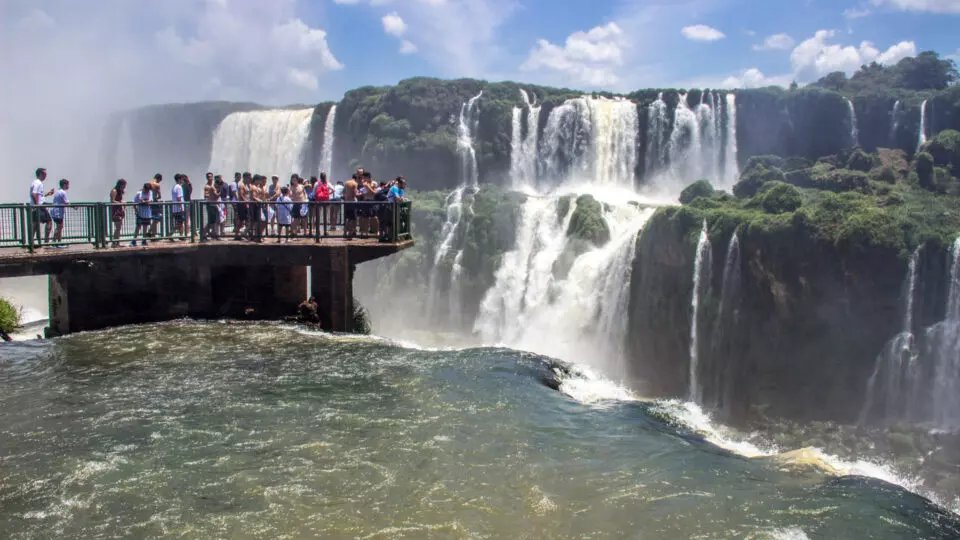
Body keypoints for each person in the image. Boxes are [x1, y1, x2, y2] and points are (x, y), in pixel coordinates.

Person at [29, 167, 54, 246]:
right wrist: (37, 205)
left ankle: (31, 243)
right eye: (44, 174)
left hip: (36, 205)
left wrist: (48, 194)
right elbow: (34, 193)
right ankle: (46, 242)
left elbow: (39, 195)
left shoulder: (35, 182)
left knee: (35, 224)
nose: (46, 176)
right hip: (39, 206)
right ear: (40, 174)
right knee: (49, 222)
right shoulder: (38, 183)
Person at [50, 179, 70, 247]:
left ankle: (58, 242)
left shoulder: (58, 192)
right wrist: (74, 207)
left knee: (59, 227)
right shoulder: (63, 192)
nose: (68, 186)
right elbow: (67, 202)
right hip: (58, 212)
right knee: (59, 227)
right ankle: (54, 242)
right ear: (64, 185)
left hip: (55, 212)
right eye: (67, 185)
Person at [109, 179, 127, 247]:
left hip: (119, 210)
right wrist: (121, 203)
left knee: (119, 227)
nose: (124, 187)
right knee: (117, 227)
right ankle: (114, 243)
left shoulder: (120, 191)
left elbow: (119, 199)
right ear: (120, 184)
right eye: (124, 185)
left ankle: (117, 243)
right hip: (115, 211)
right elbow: (112, 201)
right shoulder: (114, 191)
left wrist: (123, 202)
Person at [203, 174, 220, 239]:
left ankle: (213, 233)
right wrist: (212, 194)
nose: (210, 178)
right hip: (210, 204)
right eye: (208, 177)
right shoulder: (207, 186)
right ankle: (205, 233)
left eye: (211, 177)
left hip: (215, 204)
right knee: (211, 221)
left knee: (215, 220)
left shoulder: (214, 184)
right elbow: (206, 196)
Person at [342, 174, 359, 239]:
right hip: (352, 202)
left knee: (348, 219)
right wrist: (359, 193)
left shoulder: (346, 183)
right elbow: (354, 194)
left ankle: (344, 232)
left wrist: (346, 197)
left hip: (346, 202)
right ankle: (350, 234)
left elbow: (343, 192)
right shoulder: (355, 183)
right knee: (353, 219)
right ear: (356, 178)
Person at [171, 174, 186, 239]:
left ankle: (181, 235)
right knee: (180, 222)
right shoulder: (179, 187)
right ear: (179, 179)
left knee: (180, 222)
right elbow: (179, 198)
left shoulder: (174, 187)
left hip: (174, 208)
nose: (183, 180)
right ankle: (171, 233)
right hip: (178, 208)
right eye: (182, 179)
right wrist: (182, 207)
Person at [148, 173, 163, 239]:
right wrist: (157, 198)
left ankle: (153, 235)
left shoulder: (149, 183)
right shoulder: (157, 185)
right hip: (154, 202)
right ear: (159, 179)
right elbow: (159, 196)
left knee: (154, 219)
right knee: (158, 218)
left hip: (149, 203)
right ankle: (149, 232)